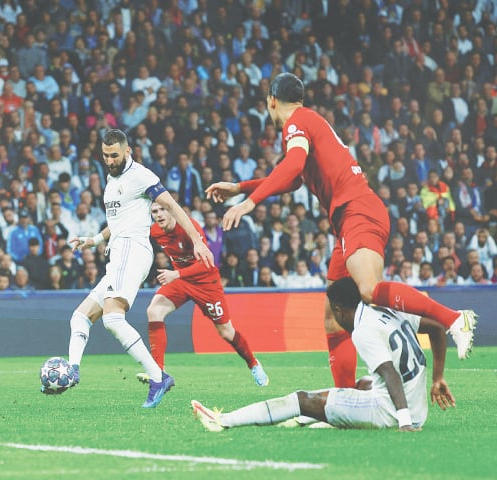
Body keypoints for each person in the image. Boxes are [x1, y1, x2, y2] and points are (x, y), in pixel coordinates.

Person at [206, 73, 476, 390]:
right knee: (335, 315)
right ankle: (345, 398)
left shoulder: (296, 122)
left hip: (356, 212)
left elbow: (291, 168)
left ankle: (454, 319)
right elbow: (294, 179)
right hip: (350, 219)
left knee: (369, 291)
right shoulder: (308, 122)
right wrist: (239, 187)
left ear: (272, 101)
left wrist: (249, 202)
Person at [60, 129, 214, 408]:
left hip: (133, 251)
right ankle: (71, 372)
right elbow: (119, 221)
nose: (110, 160)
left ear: (127, 151)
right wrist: (94, 240)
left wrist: (198, 241)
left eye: (115, 155)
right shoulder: (111, 179)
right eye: (105, 155)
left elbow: (173, 206)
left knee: (113, 319)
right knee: (80, 317)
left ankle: (158, 378)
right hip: (117, 252)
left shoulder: (141, 176)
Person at [192, 277, 454, 432]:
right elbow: (438, 328)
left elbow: (390, 373)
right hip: (417, 407)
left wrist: (404, 423)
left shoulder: (363, 330)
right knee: (363, 383)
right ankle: (308, 419)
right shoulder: (385, 310)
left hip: (391, 413)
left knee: (303, 398)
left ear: (339, 310)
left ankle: (224, 421)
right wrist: (438, 377)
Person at [137, 202, 268, 387]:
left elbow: (208, 261)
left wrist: (176, 274)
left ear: (172, 211)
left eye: (163, 210)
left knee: (226, 332)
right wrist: (99, 240)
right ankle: (158, 372)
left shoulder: (190, 227)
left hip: (206, 282)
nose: (159, 215)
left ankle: (253, 364)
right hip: (181, 281)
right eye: (154, 211)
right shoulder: (156, 231)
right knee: (154, 310)